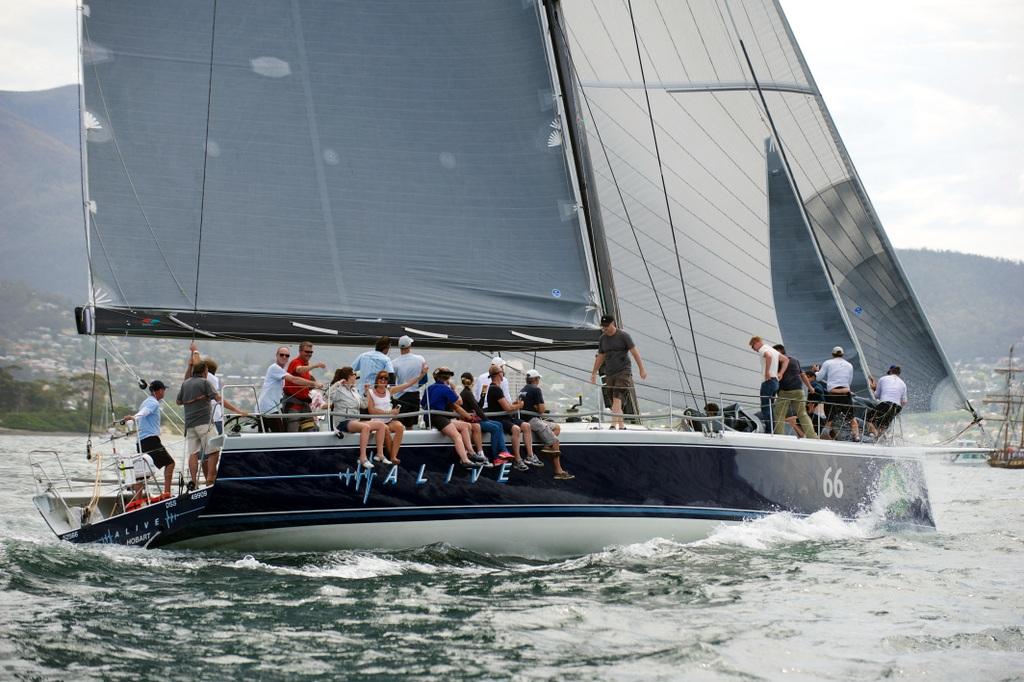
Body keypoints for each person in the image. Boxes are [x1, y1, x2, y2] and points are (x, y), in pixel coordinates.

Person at [590, 314, 647, 430]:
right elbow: (600, 356)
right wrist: (593, 373)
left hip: (623, 371)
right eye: (603, 326)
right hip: (610, 372)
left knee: (617, 397)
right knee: (613, 401)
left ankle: (612, 425)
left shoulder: (624, 336)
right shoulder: (602, 338)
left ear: (613, 324)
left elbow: (635, 352)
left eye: (607, 326)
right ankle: (621, 426)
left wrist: (642, 369)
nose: (605, 328)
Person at [121, 380, 175, 498]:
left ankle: (137, 499)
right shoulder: (153, 403)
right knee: (170, 463)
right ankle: (167, 493)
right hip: (151, 440)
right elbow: (144, 413)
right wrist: (134, 417)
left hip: (141, 442)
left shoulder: (145, 401)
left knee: (143, 471)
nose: (164, 392)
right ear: (160, 390)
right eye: (164, 390)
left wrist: (134, 417)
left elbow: (143, 411)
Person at [328, 367, 389, 469]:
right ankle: (363, 458)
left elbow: (363, 405)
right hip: (343, 421)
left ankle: (380, 455)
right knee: (366, 427)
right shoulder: (339, 389)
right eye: (354, 375)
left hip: (355, 420)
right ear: (348, 377)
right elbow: (327, 395)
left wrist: (366, 393)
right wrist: (338, 383)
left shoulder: (354, 390)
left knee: (381, 425)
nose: (356, 377)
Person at [519, 370, 575, 480]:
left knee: (556, 427)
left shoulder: (522, 390)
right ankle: (558, 471)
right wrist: (538, 408)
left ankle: (546, 445)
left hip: (525, 419)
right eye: (538, 379)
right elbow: (541, 410)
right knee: (555, 442)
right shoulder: (536, 389)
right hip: (532, 420)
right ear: (536, 379)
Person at [366, 366, 427, 464]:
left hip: (389, 420)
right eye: (381, 378)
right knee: (384, 429)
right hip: (377, 421)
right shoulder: (370, 392)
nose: (383, 380)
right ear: (377, 379)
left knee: (399, 427)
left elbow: (408, 384)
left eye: (385, 378)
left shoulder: (389, 391)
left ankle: (393, 456)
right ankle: (392, 457)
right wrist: (390, 412)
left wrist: (422, 375)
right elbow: (371, 410)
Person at [421, 367, 479, 468]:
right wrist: (454, 388)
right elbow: (459, 402)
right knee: (457, 436)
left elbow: (423, 404)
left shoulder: (429, 388)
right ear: (448, 379)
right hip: (437, 417)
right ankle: (465, 460)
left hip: (431, 417)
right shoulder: (445, 389)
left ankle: (471, 453)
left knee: (466, 426)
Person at [176, 360, 221, 487]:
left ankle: (193, 481)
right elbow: (217, 398)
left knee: (193, 453)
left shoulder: (186, 384)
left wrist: (191, 400)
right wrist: (236, 410)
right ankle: (211, 479)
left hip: (190, 424)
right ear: (205, 371)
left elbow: (178, 402)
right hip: (204, 422)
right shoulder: (205, 382)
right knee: (214, 450)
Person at [257, 346, 322, 432]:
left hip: (267, 407)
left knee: (265, 435)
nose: (284, 357)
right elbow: (294, 379)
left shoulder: (281, 371)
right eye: (281, 355)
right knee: (281, 434)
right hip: (268, 407)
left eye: (287, 355)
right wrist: (313, 383)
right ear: (276, 355)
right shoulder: (275, 368)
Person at [484, 366, 533, 470]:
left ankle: (530, 456)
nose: (503, 374)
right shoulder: (495, 389)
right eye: (502, 372)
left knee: (526, 426)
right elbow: (507, 408)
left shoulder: (496, 388)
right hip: (499, 419)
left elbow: (506, 405)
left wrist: (514, 404)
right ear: (499, 374)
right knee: (516, 429)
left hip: (506, 417)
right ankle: (518, 459)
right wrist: (519, 405)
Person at [460, 372, 508, 464]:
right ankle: (496, 456)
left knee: (499, 424)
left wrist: (482, 396)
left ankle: (503, 450)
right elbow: (477, 409)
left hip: (475, 419)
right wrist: (486, 419)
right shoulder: (467, 393)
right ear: (472, 381)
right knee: (495, 428)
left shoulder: (466, 392)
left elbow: (478, 406)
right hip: (472, 421)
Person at [771, 344, 817, 439]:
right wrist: (810, 388)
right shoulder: (795, 360)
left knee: (779, 414)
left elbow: (774, 378)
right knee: (802, 414)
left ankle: (779, 437)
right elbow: (803, 375)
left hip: (785, 391)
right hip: (798, 391)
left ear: (779, 351)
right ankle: (812, 436)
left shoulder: (778, 362)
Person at [817, 346, 860, 441]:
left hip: (832, 393)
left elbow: (818, 378)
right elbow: (849, 381)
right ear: (842, 354)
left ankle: (824, 436)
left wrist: (815, 371)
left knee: (829, 418)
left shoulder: (827, 363)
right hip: (845, 393)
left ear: (832, 354)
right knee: (851, 417)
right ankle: (856, 437)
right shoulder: (849, 365)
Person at [283, 341, 327, 432]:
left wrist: (315, 385)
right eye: (306, 352)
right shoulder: (295, 362)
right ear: (300, 351)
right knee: (293, 431)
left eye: (311, 352)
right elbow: (299, 370)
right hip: (293, 406)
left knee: (311, 430)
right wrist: (315, 365)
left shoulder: (306, 366)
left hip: (304, 406)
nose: (309, 354)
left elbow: (303, 382)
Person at [392, 335, 427, 429]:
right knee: (410, 425)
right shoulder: (420, 359)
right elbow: (424, 378)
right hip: (414, 395)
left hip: (400, 396)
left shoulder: (394, 363)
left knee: (397, 424)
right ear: (410, 345)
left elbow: (391, 382)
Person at [748, 336, 781, 431]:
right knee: (770, 407)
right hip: (775, 382)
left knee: (765, 407)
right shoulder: (773, 350)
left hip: (768, 382)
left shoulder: (763, 349)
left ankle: (769, 430)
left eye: (753, 347)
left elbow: (768, 356)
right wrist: (781, 373)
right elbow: (785, 360)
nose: (754, 350)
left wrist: (767, 372)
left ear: (757, 342)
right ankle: (772, 429)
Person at [868, 365, 908, 438]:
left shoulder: (883, 379)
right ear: (899, 373)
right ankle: (883, 439)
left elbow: (876, 396)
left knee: (869, 420)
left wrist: (873, 388)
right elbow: (904, 402)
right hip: (897, 407)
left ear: (890, 371)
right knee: (883, 425)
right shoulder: (903, 384)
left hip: (885, 404)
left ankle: (876, 436)